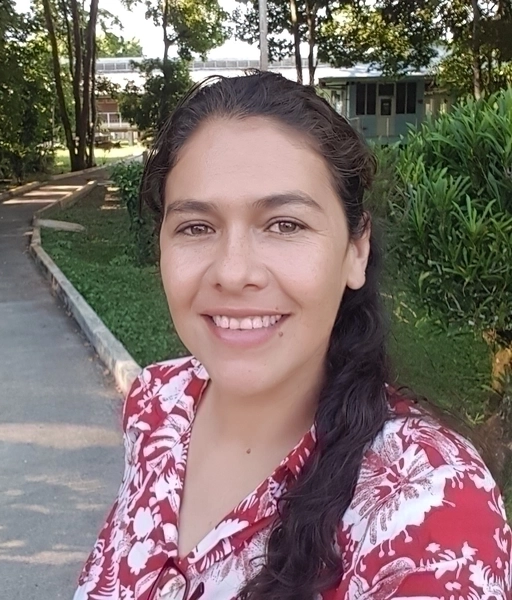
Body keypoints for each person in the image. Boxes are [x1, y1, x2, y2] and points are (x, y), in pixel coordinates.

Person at [73, 72, 511, 600]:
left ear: (355, 250)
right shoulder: (158, 403)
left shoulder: (432, 506)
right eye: (196, 227)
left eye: (285, 225)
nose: (233, 272)